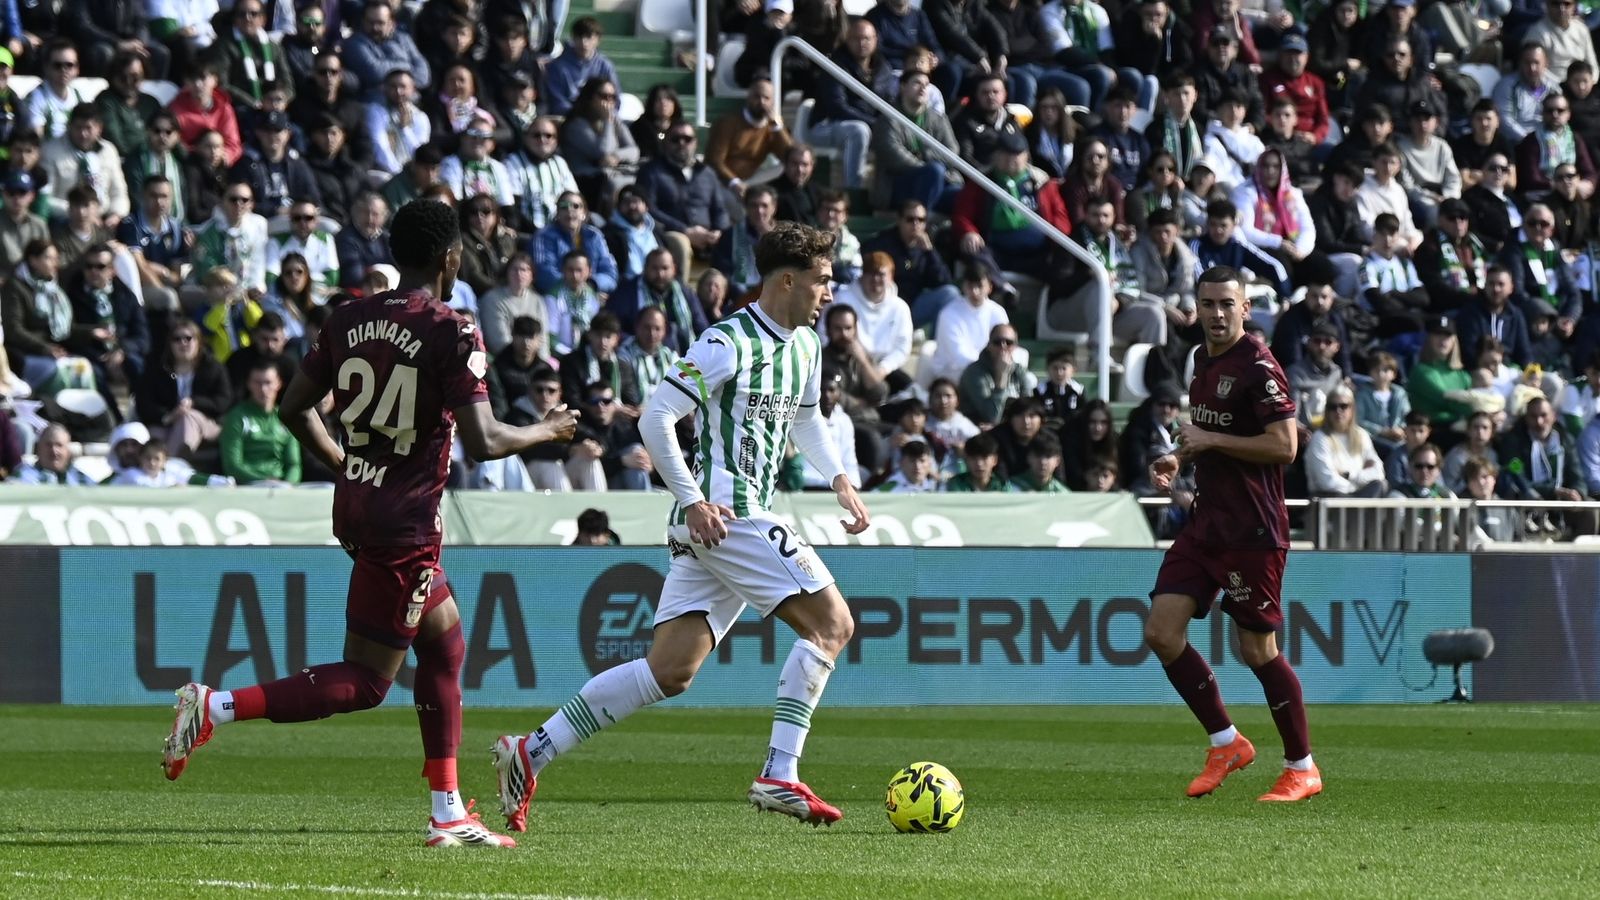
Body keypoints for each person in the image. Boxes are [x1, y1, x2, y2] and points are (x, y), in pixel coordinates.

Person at [161, 199, 580, 848]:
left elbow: (297, 410)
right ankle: (213, 707)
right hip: (406, 523)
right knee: (367, 682)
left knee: (444, 644)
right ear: (451, 260)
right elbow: (483, 439)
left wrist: (349, 468)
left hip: (359, 508)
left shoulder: (349, 318)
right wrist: (549, 428)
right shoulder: (451, 328)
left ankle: (447, 806)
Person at [491, 221, 870, 830]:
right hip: (728, 511)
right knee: (833, 625)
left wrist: (839, 479)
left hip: (716, 524)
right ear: (789, 280)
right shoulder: (727, 341)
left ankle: (529, 753)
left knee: (669, 671)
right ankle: (779, 771)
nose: (831, 293)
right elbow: (656, 417)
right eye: (824, 281)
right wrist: (693, 500)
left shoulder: (805, 346)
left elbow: (806, 420)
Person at [1145, 265, 1319, 803]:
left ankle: (1302, 767)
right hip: (1207, 522)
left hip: (1253, 528)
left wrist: (1209, 439)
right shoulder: (1201, 359)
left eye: (1227, 304)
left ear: (1246, 309)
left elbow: (1285, 447)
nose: (1216, 314)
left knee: (1257, 650)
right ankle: (1226, 742)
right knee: (1161, 632)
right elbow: (1205, 436)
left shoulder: (1259, 366)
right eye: (1207, 304)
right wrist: (1178, 457)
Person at [927, 269, 1010, 386]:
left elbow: (1005, 345)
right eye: (970, 286)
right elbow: (959, 357)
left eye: (980, 286)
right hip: (951, 374)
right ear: (963, 287)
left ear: (989, 287)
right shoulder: (949, 313)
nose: (975, 292)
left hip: (987, 369)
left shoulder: (998, 312)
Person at [1307, 384, 1388, 497]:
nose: (1338, 411)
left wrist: (1349, 475)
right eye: (1332, 407)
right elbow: (1327, 481)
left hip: (1357, 497)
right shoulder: (1319, 438)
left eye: (1344, 406)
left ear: (1352, 409)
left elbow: (1379, 472)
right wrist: (1356, 487)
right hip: (1331, 499)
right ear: (1327, 410)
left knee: (1380, 485)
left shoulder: (1362, 435)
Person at [8, 424, 96, 484]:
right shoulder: (22, 477)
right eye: (48, 445)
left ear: (68, 451)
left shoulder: (82, 480)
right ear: (38, 449)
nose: (54, 451)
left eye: (59, 445)